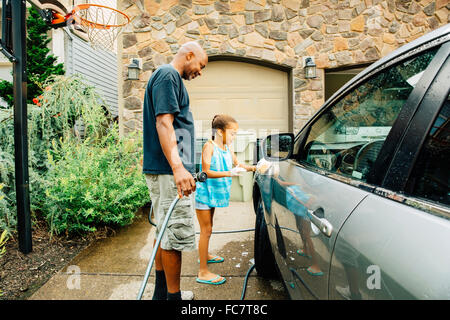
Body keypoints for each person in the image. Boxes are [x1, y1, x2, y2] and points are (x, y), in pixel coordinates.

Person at [142, 41, 208, 300]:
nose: (200, 72)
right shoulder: (168, 75)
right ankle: (174, 298)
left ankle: (162, 295)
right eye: (200, 65)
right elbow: (164, 122)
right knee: (174, 236)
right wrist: (179, 168)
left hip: (168, 171)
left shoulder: (169, 79)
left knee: (164, 232)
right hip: (171, 173)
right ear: (189, 55)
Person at [194, 114, 256, 285]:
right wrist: (229, 173)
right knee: (205, 230)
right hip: (205, 195)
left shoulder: (227, 148)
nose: (234, 137)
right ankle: (203, 272)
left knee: (209, 228)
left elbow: (238, 164)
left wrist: (255, 167)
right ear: (220, 132)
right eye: (233, 133)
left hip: (214, 194)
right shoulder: (209, 146)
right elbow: (206, 173)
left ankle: (205, 256)